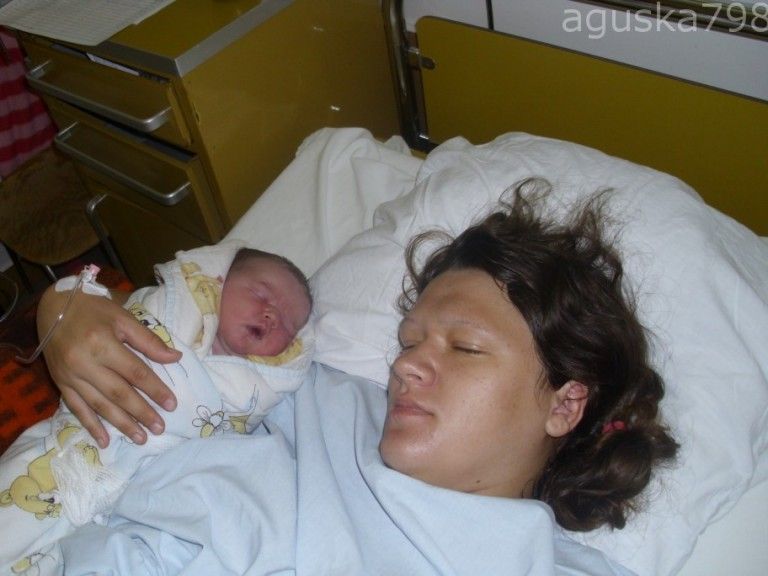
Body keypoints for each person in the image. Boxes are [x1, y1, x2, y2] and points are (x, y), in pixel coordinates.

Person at [16, 185, 676, 574]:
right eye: (408, 341)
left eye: (466, 347)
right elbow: (182, 322)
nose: (404, 365)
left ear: (566, 403)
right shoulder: (314, 398)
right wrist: (65, 309)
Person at [0, 242, 314, 574]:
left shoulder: (255, 391)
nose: (271, 315)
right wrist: (61, 299)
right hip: (62, 455)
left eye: (287, 324)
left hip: (123, 508)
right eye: (261, 295)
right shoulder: (167, 308)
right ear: (217, 281)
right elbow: (87, 301)